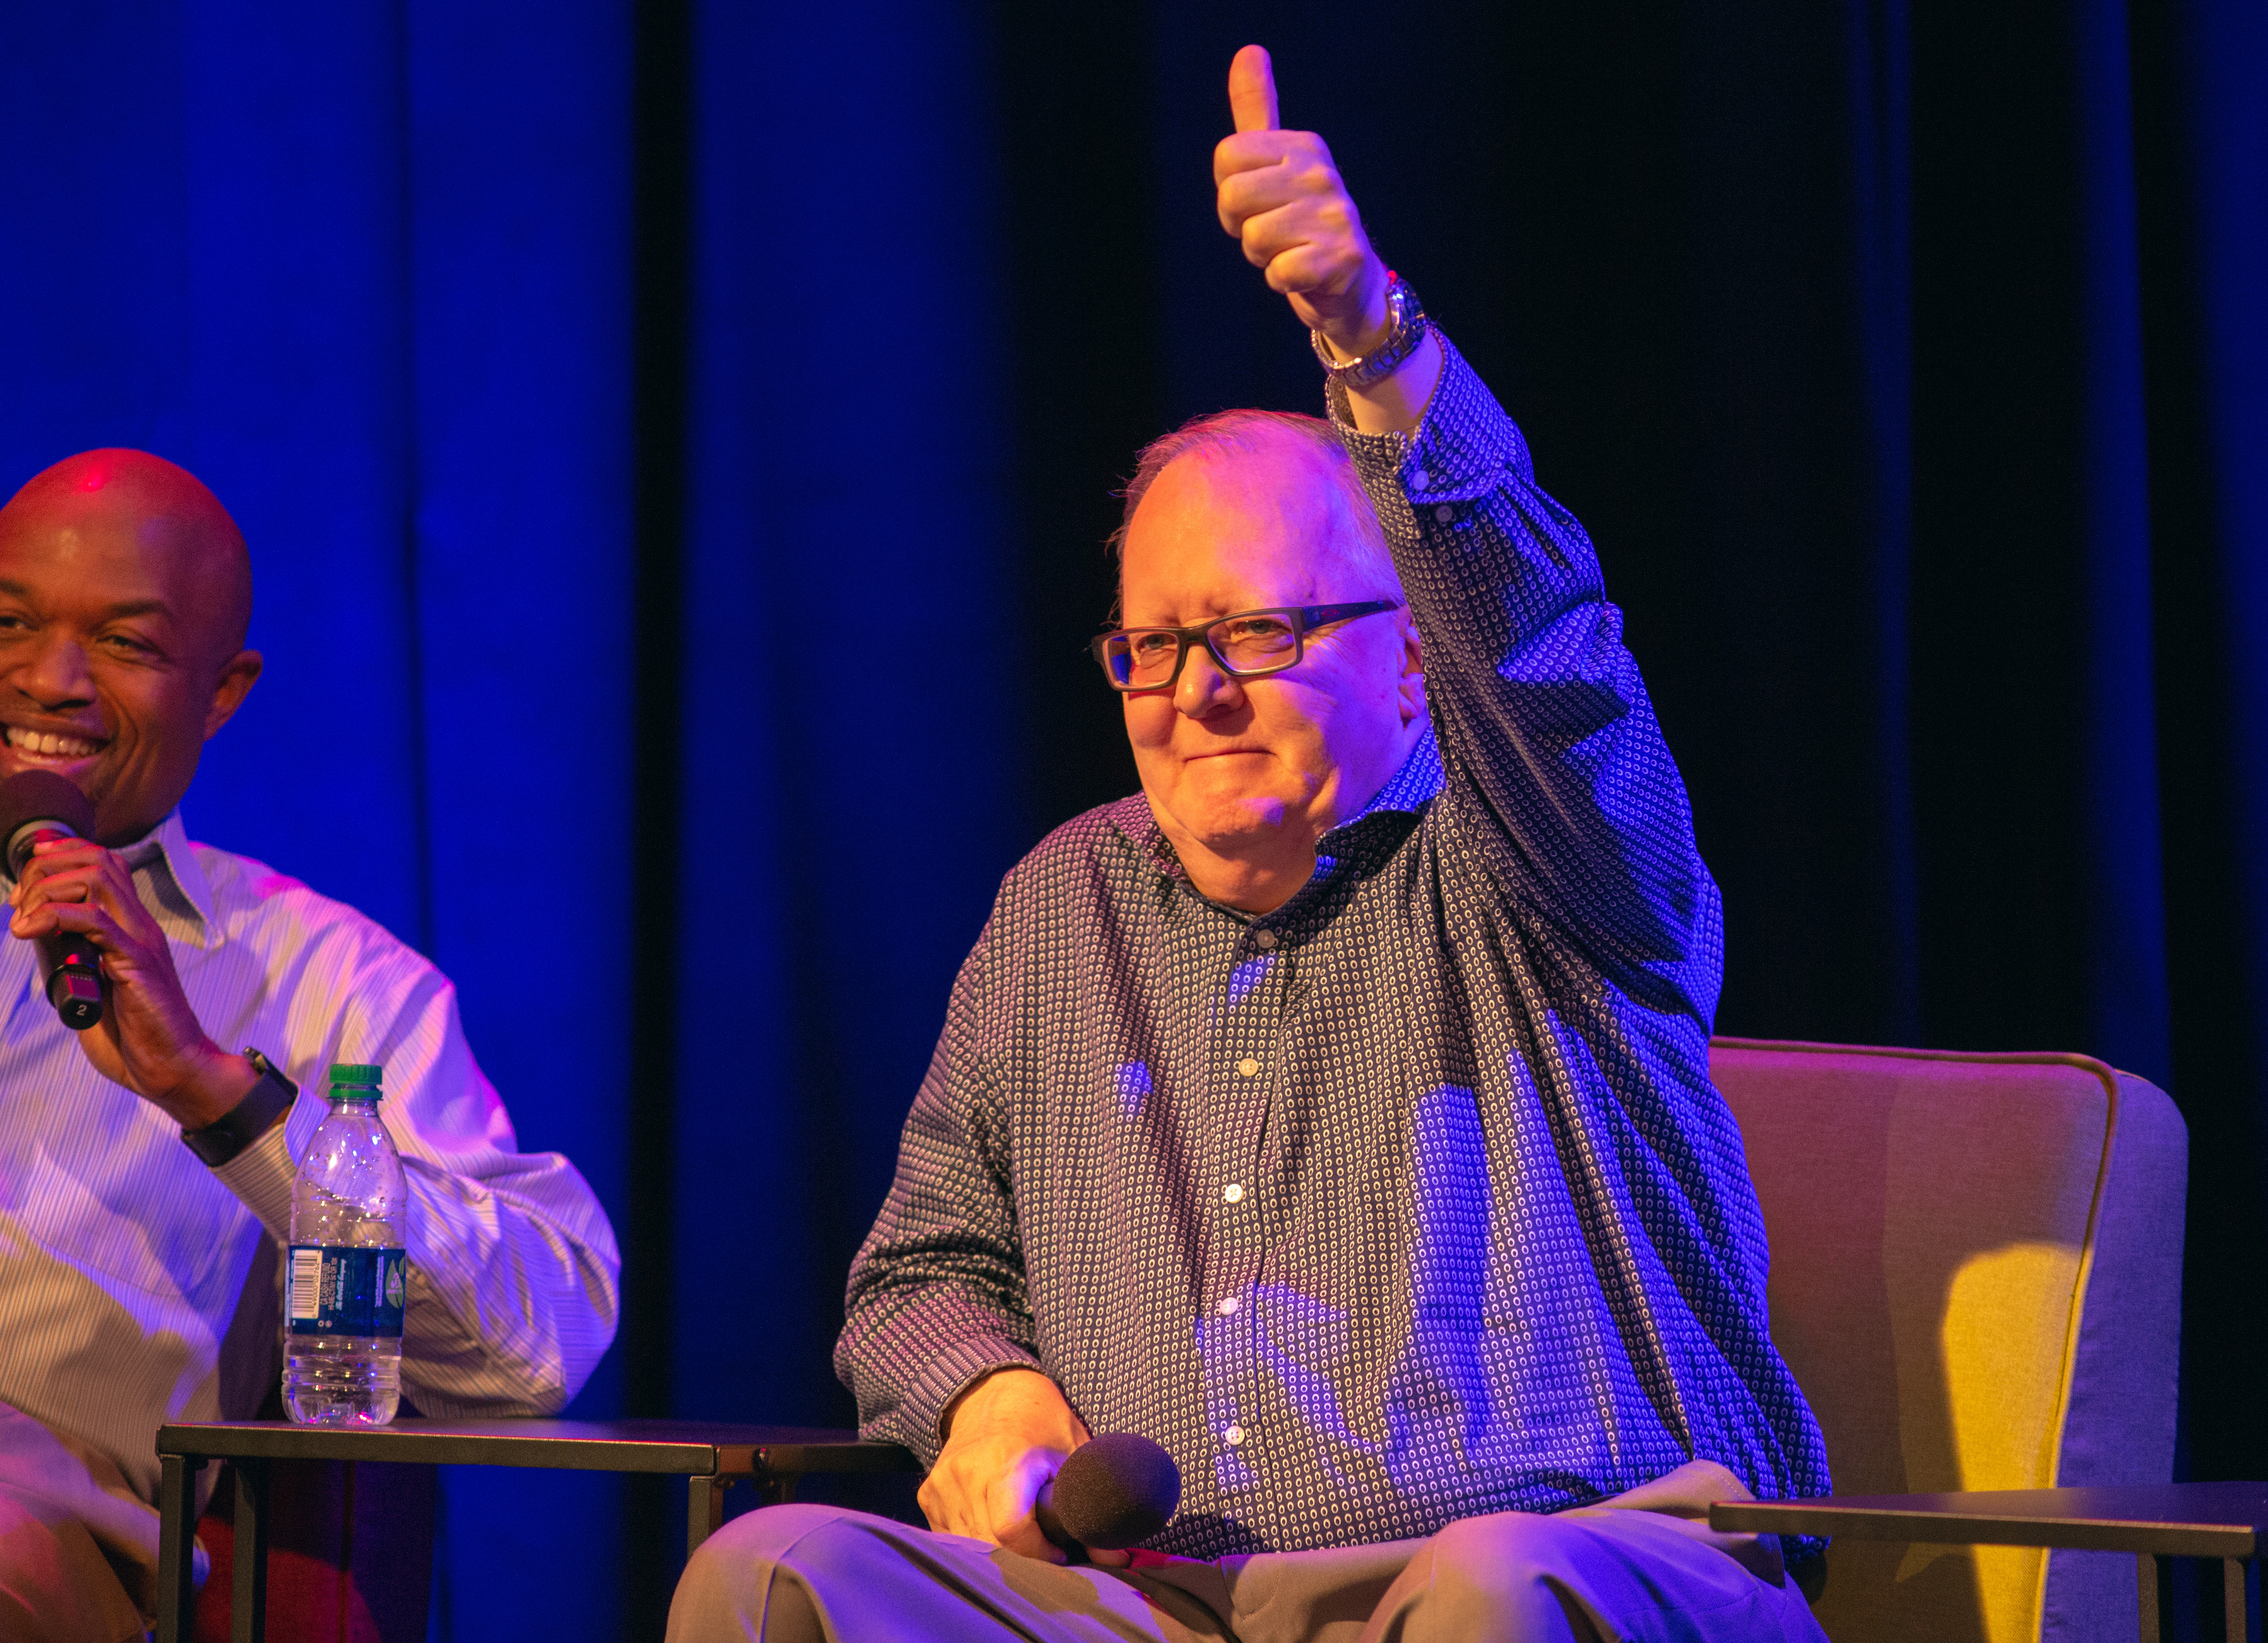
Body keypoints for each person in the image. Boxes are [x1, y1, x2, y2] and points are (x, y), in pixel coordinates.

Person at [668, 44, 1828, 1643]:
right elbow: (919, 1266)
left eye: (1262, 632)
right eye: (1153, 646)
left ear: (1414, 654)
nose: (1198, 692)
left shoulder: (1548, 858)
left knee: (1494, 1582)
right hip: (1179, 1605)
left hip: (1588, 1565)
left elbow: (1548, 656)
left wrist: (1376, 343)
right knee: (780, 1570)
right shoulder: (1062, 905)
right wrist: (983, 1393)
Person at [0, 449, 620, 1642]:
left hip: (52, 1543)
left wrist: (217, 1095)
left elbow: (540, 1343)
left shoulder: (329, 984)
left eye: (125, 644)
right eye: (10, 623)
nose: (51, 680)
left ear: (223, 691)